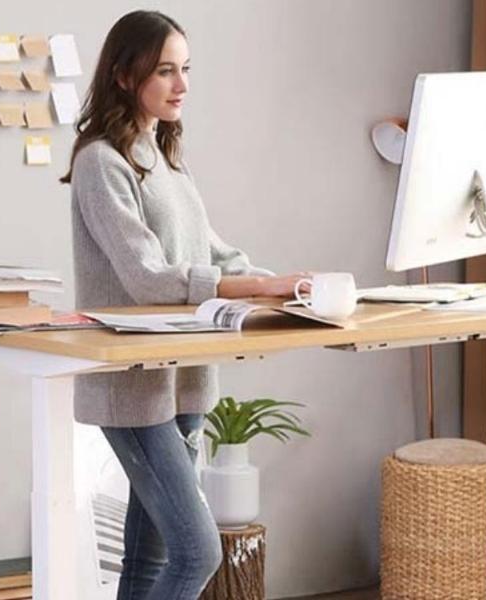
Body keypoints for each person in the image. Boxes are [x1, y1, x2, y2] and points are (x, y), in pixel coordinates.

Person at [61, 10, 310, 600]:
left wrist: (287, 285)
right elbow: (147, 276)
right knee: (197, 550)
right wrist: (249, 289)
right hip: (133, 389)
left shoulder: (166, 156)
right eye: (166, 70)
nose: (182, 85)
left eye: (186, 69)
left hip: (186, 380)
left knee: (147, 559)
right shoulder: (101, 162)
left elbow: (214, 253)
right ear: (125, 75)